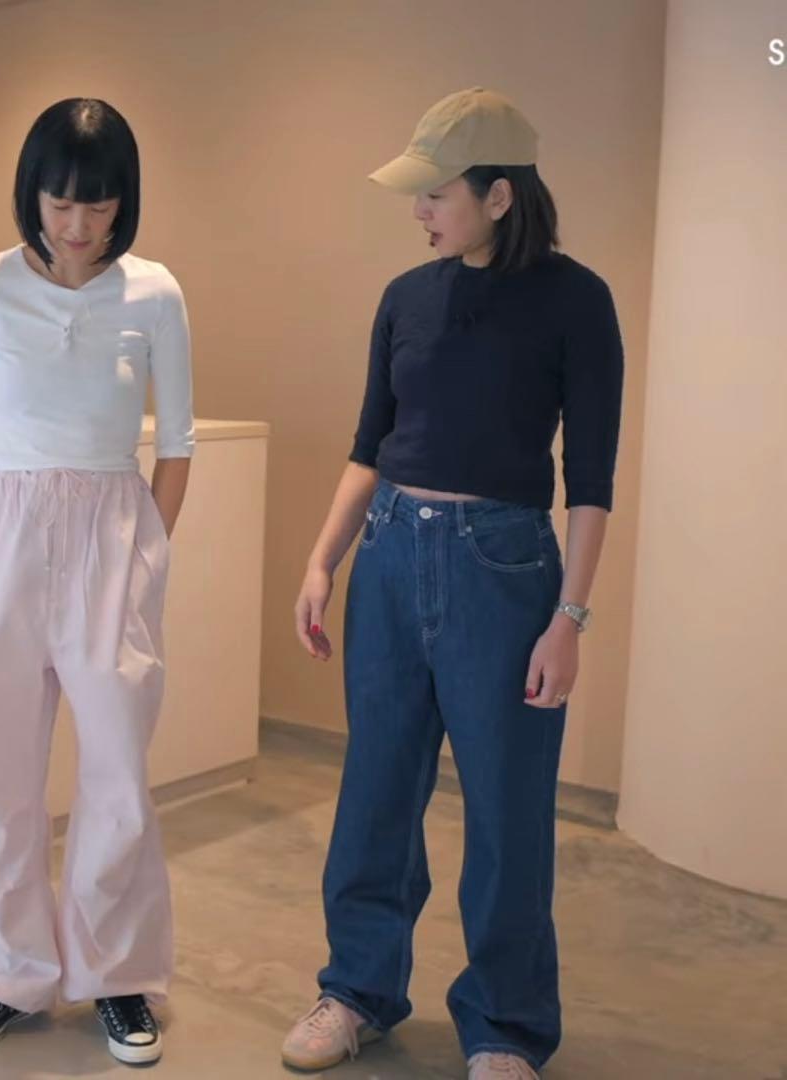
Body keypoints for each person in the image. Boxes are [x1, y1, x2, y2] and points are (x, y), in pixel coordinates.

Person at [282, 87, 624, 1080]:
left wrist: (569, 618)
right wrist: (322, 559)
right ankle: (358, 989)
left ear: (500, 195)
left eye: (437, 193)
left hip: (503, 572)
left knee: (507, 807)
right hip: (390, 555)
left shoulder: (577, 301)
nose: (421, 211)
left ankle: (505, 1024)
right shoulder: (406, 296)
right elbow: (370, 446)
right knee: (376, 790)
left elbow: (591, 480)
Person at [0, 97, 193, 1066]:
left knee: (118, 771)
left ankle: (117, 976)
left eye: (98, 204)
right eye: (60, 202)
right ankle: (5, 973)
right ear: (32, 195)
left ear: (124, 202)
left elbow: (178, 443)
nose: (78, 225)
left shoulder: (155, 293)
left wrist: (147, 551)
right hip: (3, 531)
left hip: (112, 535)